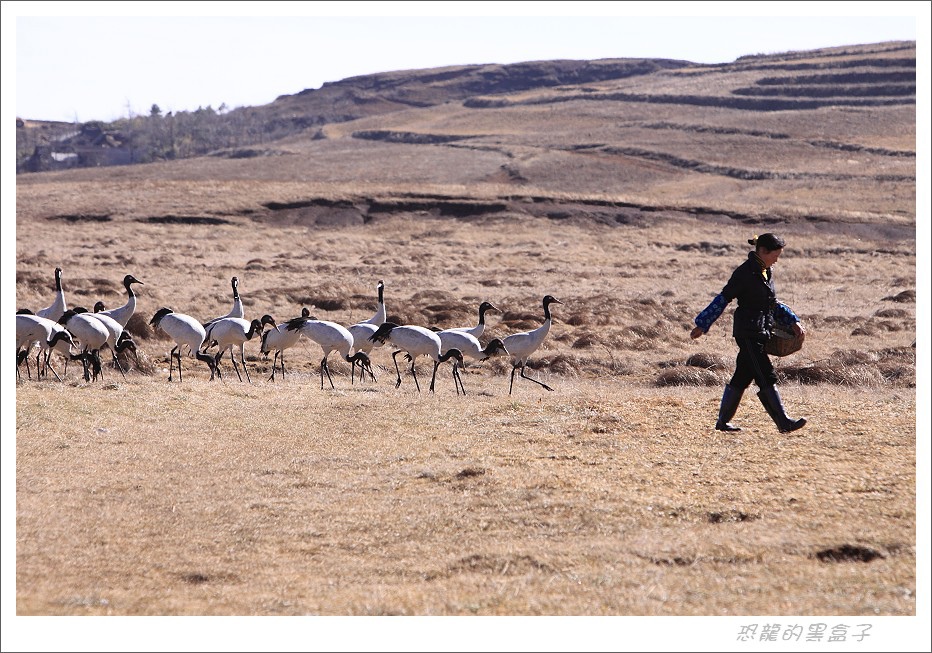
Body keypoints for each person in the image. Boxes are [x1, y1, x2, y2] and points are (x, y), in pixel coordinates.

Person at [690, 233, 807, 433]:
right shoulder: (744, 273)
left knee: (742, 377)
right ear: (763, 251)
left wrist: (792, 320)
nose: (777, 260)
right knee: (766, 375)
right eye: (775, 255)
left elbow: (771, 303)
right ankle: (784, 423)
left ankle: (722, 422)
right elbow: (723, 298)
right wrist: (703, 324)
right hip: (748, 333)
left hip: (761, 331)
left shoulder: (766, 272)